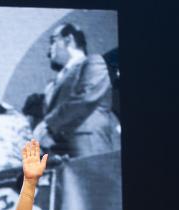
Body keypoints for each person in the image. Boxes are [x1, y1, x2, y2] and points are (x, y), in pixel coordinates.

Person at [33, 23, 120, 158]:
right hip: (63, 155)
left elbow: (85, 98)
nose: (49, 51)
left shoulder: (93, 63)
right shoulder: (56, 82)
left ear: (68, 39)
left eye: (53, 41)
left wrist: (48, 125)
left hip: (89, 147)